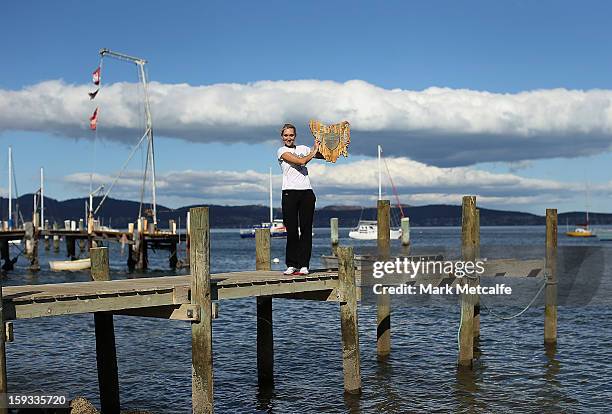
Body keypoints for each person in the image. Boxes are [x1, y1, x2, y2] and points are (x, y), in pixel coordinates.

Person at [277, 123, 322, 275]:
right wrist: (314, 151)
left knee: (306, 230)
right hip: (289, 193)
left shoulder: (303, 148)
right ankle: (292, 264)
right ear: (282, 137)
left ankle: (304, 265)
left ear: (295, 136)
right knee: (291, 230)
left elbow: (323, 156)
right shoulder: (281, 151)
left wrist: (326, 147)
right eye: (286, 135)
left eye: (291, 135)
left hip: (306, 193)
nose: (289, 138)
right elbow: (301, 161)